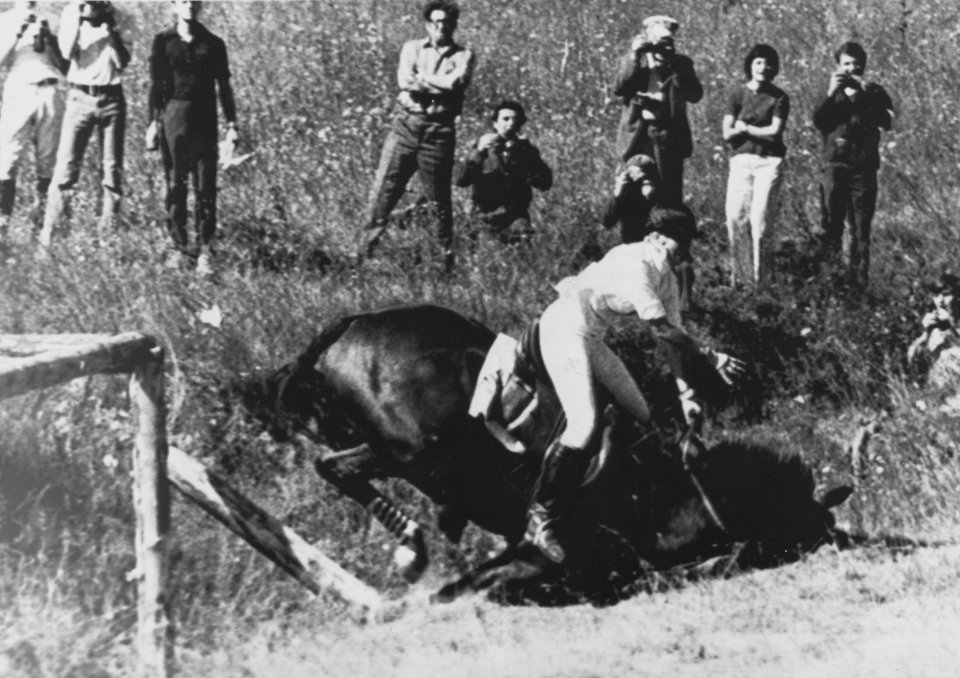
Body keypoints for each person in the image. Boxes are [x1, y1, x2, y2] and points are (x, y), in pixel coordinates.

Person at [525, 206, 745, 563]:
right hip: (563, 328)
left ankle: (638, 516)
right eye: (680, 241)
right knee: (584, 426)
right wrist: (711, 358)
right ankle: (541, 515)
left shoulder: (666, 278)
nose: (686, 250)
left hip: (591, 338)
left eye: (689, 241)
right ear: (656, 237)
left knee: (642, 415)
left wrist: (686, 394)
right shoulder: (636, 265)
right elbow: (661, 329)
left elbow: (673, 340)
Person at [362, 1, 475, 270]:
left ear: (454, 25)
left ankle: (442, 261)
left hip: (439, 131)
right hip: (406, 127)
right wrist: (438, 84)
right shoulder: (411, 48)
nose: (441, 27)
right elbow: (405, 81)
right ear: (427, 24)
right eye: (436, 22)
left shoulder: (464, 55)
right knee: (383, 192)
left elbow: (456, 83)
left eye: (446, 22)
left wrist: (423, 78)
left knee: (439, 199)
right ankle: (364, 255)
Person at [146, 0, 239, 274]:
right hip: (174, 118)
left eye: (194, 1)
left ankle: (206, 250)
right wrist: (152, 123)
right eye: (183, 1)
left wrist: (232, 124)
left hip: (205, 121)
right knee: (176, 185)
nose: (190, 5)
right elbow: (157, 85)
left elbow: (224, 87)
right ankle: (178, 246)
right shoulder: (163, 42)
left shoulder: (213, 43)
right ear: (174, 5)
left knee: (205, 188)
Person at [39, 1, 130, 249]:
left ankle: (108, 238)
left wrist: (111, 31)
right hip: (79, 97)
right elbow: (67, 54)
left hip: (112, 98)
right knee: (66, 167)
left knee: (112, 170)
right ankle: (52, 238)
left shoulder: (121, 16)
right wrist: (81, 20)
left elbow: (123, 61)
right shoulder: (71, 12)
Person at [813, 41, 894, 289]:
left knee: (860, 228)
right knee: (831, 225)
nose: (852, 68)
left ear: (864, 65)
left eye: (857, 63)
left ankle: (858, 282)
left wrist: (869, 96)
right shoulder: (829, 91)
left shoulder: (875, 92)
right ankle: (832, 279)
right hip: (835, 165)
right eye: (847, 64)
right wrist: (830, 93)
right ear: (838, 65)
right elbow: (818, 121)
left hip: (863, 167)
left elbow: (888, 122)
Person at [612, 15, 702, 205]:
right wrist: (635, 56)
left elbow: (694, 95)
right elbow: (620, 88)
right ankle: (636, 230)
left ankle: (666, 230)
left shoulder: (681, 64)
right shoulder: (636, 61)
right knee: (633, 188)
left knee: (668, 189)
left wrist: (674, 66)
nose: (664, 47)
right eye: (659, 42)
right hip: (638, 135)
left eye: (668, 42)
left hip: (668, 134)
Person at [0, 0, 68, 248]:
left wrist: (52, 39)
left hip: (50, 89)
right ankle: (1, 229)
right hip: (19, 89)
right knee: (7, 160)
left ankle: (42, 230)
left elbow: (66, 66)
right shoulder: (4, 19)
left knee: (48, 163)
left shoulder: (53, 17)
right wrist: (18, 30)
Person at [722, 43, 790, 287]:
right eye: (759, 62)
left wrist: (746, 128)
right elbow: (727, 133)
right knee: (735, 217)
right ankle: (740, 281)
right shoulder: (737, 94)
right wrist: (746, 131)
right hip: (741, 161)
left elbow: (774, 132)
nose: (764, 67)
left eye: (768, 63)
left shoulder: (779, 97)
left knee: (760, 222)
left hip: (768, 162)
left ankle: (761, 282)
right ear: (750, 65)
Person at [455, 100, 552, 244]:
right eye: (505, 119)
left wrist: (527, 156)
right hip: (485, 217)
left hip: (516, 216)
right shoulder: (481, 146)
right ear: (495, 123)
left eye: (516, 120)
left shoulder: (525, 150)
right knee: (488, 253)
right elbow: (461, 180)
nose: (511, 124)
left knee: (524, 240)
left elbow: (544, 183)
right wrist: (479, 152)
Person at [907, 273, 960, 373]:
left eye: (946, 294)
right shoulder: (931, 321)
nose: (940, 300)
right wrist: (926, 332)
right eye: (936, 295)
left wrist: (949, 326)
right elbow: (912, 361)